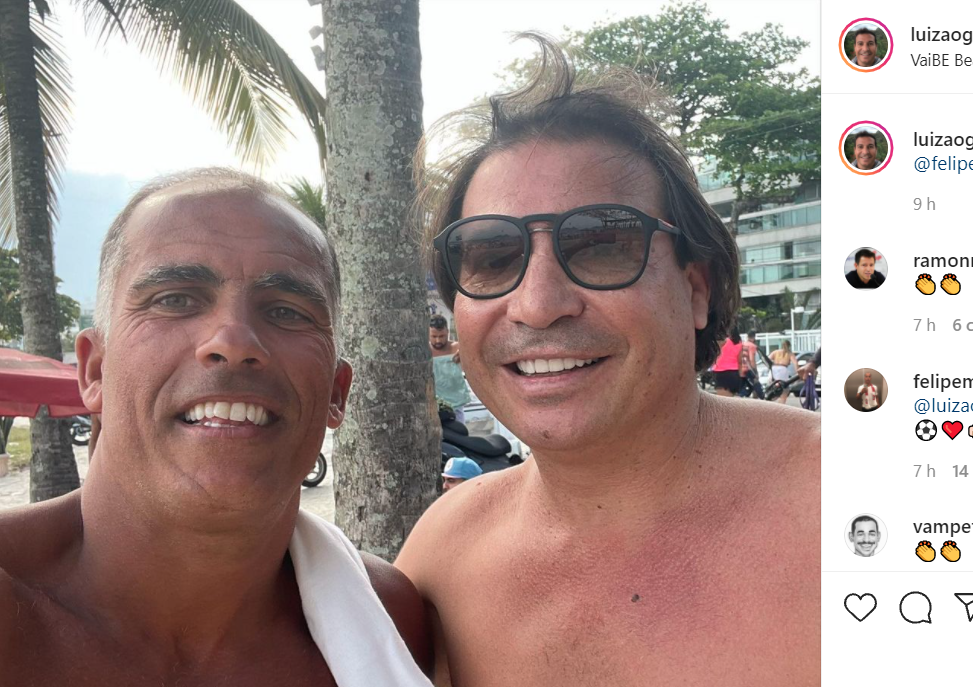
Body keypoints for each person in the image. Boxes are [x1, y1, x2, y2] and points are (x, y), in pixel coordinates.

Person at [397, 33, 819, 686]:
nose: (537, 304)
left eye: (600, 245)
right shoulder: (442, 561)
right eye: (492, 257)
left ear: (696, 289)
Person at [0, 169, 431, 686]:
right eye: (175, 299)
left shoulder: (393, 620)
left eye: (286, 311)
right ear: (94, 371)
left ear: (336, 393)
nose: (234, 340)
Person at [429, 315, 471, 422]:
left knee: (459, 431)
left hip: (456, 405)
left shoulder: (457, 348)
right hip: (433, 407)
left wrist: (465, 354)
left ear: (447, 332)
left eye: (442, 336)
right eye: (434, 336)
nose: (438, 340)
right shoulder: (425, 351)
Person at [710, 331, 750, 397]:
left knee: (722, 399)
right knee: (731, 399)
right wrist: (740, 376)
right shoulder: (739, 343)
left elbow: (715, 353)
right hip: (734, 373)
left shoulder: (723, 341)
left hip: (721, 372)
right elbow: (740, 361)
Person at [768, 339, 799, 405]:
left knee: (773, 386)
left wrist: (770, 367)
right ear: (789, 346)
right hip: (783, 369)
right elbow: (795, 363)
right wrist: (798, 373)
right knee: (784, 388)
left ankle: (770, 402)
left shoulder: (775, 352)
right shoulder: (790, 354)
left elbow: (768, 359)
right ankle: (781, 403)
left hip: (773, 368)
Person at [741, 331, 766, 399]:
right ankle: (763, 397)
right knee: (756, 383)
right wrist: (755, 371)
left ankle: (742, 396)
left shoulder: (742, 344)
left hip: (740, 368)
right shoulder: (752, 346)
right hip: (748, 368)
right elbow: (752, 359)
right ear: (754, 337)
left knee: (745, 385)